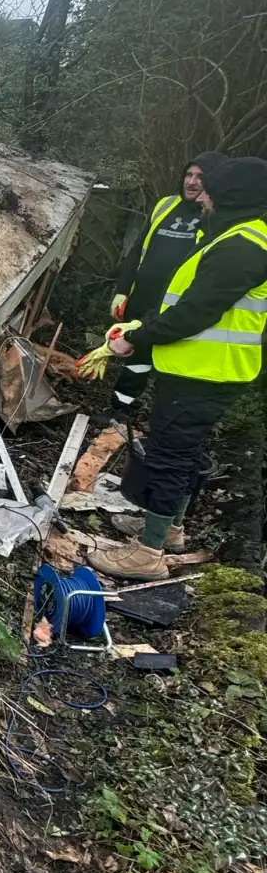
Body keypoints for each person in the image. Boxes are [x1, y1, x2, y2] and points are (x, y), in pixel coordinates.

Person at [90, 156, 267, 582]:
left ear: (231, 197)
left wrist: (138, 338)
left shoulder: (242, 247)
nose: (200, 195)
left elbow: (193, 313)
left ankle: (148, 553)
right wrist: (142, 324)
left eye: (210, 189)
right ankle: (169, 527)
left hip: (203, 372)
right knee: (184, 452)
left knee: (170, 455)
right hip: (205, 368)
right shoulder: (238, 237)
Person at [107, 152, 225, 416]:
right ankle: (120, 408)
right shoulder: (165, 205)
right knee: (135, 355)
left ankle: (162, 415)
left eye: (200, 177)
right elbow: (138, 249)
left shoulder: (214, 216)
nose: (192, 182)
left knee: (157, 357)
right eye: (188, 175)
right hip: (141, 297)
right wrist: (122, 290)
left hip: (174, 304)